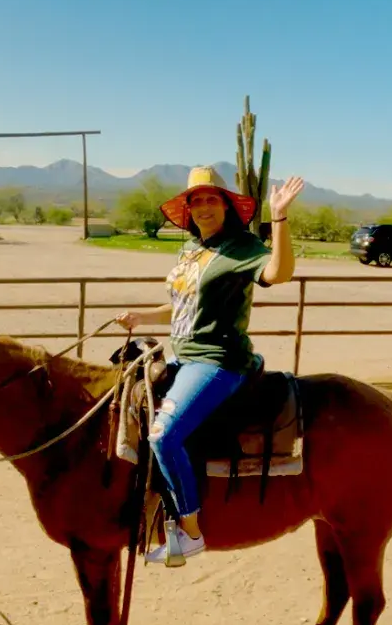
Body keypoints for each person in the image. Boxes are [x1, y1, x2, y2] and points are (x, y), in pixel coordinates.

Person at [115, 166, 304, 566]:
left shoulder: (242, 247)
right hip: (181, 354)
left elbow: (279, 272)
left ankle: (191, 533)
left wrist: (280, 217)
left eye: (210, 199)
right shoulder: (190, 250)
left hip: (217, 360)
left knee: (163, 435)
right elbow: (184, 308)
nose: (203, 206)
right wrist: (141, 317)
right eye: (195, 200)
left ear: (226, 206)